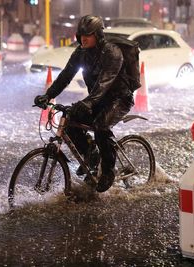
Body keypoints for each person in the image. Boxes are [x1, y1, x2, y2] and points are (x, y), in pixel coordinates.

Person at [34, 15, 135, 192]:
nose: (83, 39)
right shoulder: (81, 52)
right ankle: (92, 154)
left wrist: (87, 103)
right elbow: (65, 76)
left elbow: (104, 83)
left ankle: (108, 172)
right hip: (97, 99)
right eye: (80, 35)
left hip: (119, 99)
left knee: (101, 125)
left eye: (88, 35)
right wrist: (48, 95)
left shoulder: (112, 53)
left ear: (98, 35)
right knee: (70, 119)